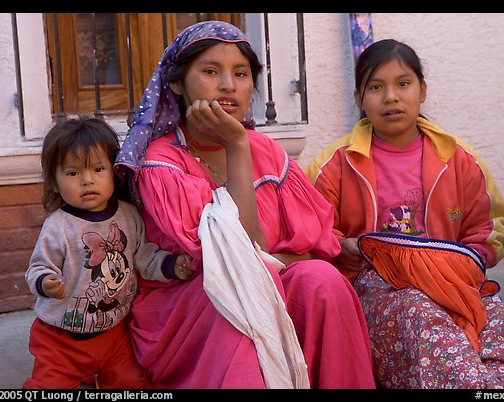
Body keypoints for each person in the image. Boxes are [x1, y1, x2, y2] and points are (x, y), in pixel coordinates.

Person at [114, 20, 375, 389]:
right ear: (176, 83)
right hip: (192, 302)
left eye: (241, 73)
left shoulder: (268, 152)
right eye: (209, 71)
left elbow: (315, 252)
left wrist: (293, 260)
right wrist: (236, 146)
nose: (228, 85)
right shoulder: (161, 163)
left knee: (323, 282)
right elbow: (237, 260)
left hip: (268, 282)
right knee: (239, 299)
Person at [305, 38, 504, 389]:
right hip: (376, 292)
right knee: (419, 311)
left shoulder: (458, 159)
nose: (391, 97)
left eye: (403, 83)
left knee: (499, 316)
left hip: (454, 284)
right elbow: (311, 237)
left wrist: (455, 267)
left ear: (422, 90)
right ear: (358, 99)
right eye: (376, 87)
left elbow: (488, 231)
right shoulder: (334, 165)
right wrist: (348, 250)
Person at [24, 116, 193, 389]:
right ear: (54, 183)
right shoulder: (58, 226)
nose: (87, 180)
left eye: (98, 169)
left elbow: (144, 257)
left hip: (114, 334)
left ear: (113, 172)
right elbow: (38, 268)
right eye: (72, 173)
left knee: (132, 383)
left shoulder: (128, 216)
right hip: (60, 340)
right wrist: (46, 283)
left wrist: (172, 265)